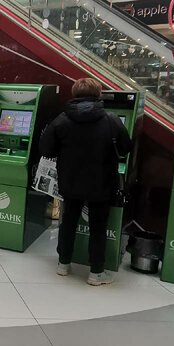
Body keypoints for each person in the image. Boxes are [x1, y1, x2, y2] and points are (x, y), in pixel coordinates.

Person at [38, 77, 131, 285]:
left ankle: (63, 264)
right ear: (98, 94)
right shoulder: (111, 119)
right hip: (102, 183)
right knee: (98, 228)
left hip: (70, 182)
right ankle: (96, 273)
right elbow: (126, 147)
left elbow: (46, 149)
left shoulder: (62, 119)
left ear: (75, 94)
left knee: (68, 222)